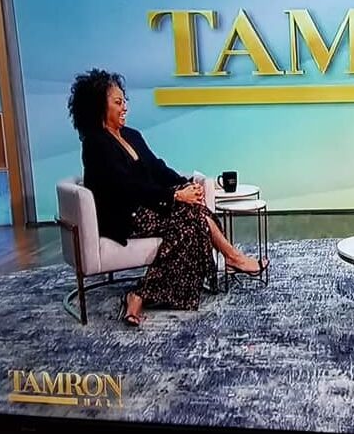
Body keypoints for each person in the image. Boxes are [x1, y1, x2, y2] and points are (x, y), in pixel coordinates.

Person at [67, 68, 266, 326]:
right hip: (124, 216)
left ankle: (139, 295)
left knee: (193, 221)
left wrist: (186, 185)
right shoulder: (95, 144)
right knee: (193, 216)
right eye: (118, 102)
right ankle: (232, 257)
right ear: (98, 107)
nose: (125, 107)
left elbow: (158, 169)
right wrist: (175, 196)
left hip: (148, 208)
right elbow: (127, 187)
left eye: (124, 101)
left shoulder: (131, 135)